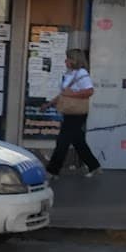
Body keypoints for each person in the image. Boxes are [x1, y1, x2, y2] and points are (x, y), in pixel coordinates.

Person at [46, 49, 101, 179]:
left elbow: (89, 91)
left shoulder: (82, 73)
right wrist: (49, 104)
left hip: (77, 113)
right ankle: (94, 165)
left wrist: (72, 94)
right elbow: (64, 94)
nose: (66, 61)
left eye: (68, 58)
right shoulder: (70, 74)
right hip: (69, 112)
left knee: (63, 141)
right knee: (78, 141)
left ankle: (52, 170)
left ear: (75, 60)